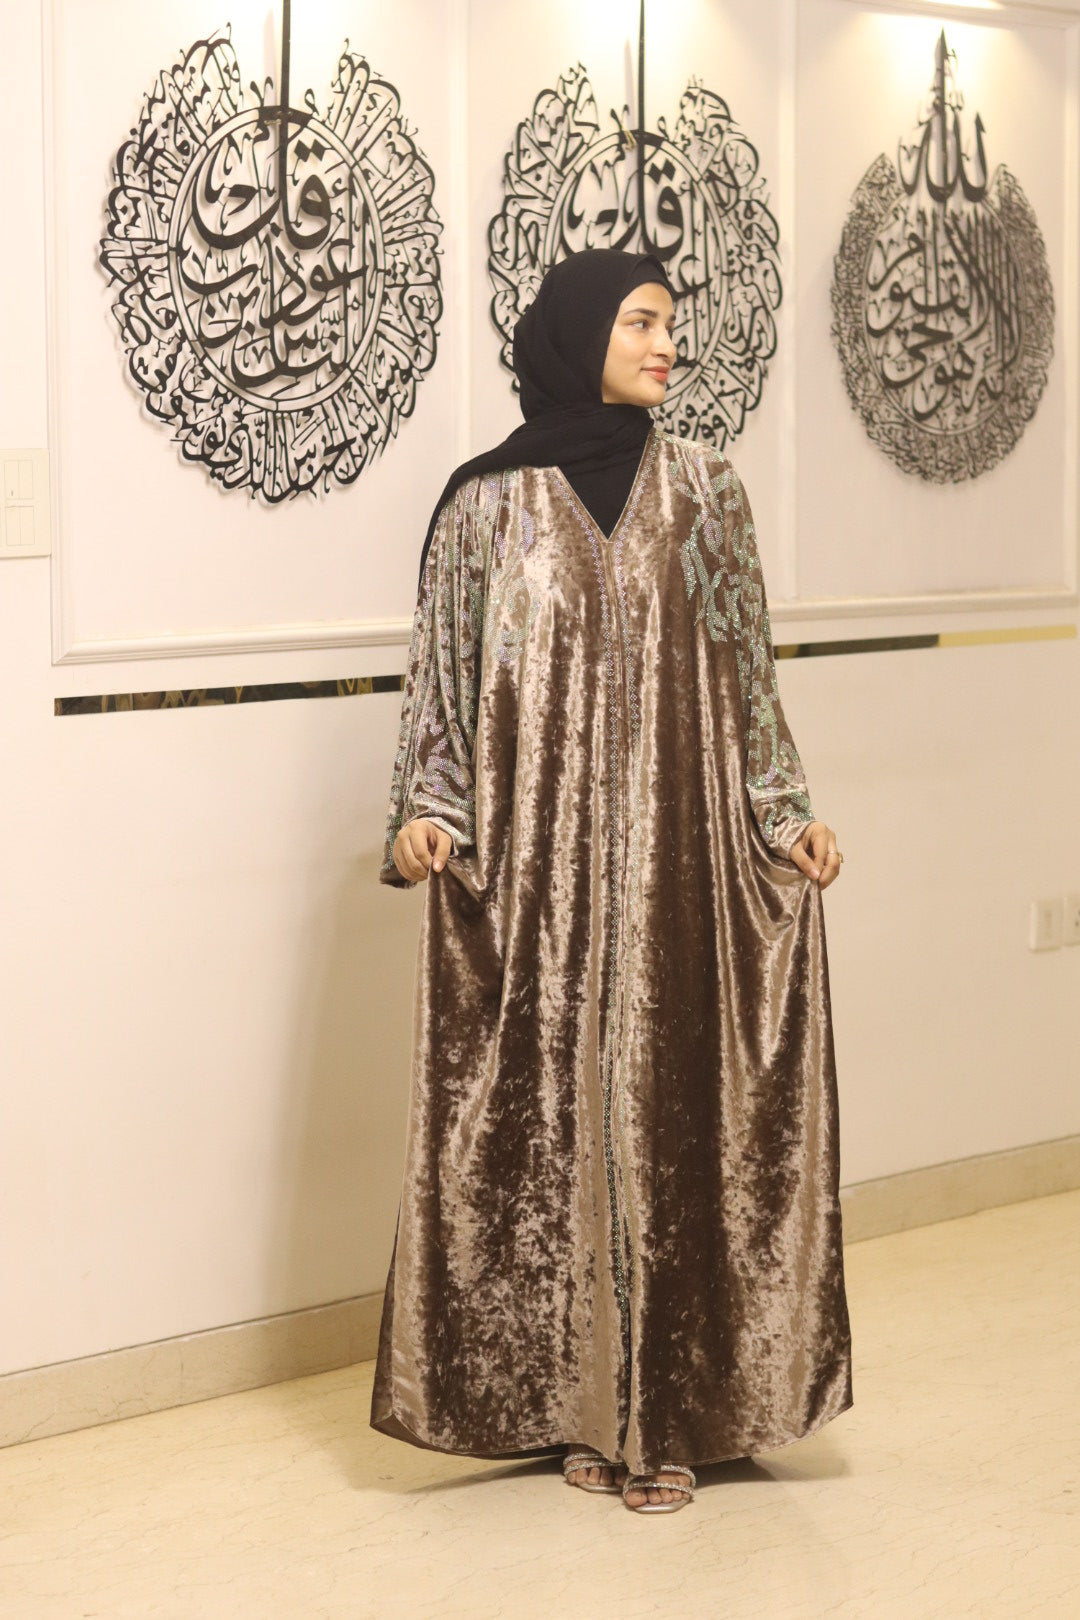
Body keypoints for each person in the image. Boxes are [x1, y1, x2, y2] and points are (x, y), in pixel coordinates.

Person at [371, 248, 852, 1514]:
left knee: (669, 1118)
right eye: (641, 321)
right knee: (557, 1131)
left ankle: (670, 1410)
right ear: (580, 331)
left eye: (670, 324)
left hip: (681, 868)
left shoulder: (707, 492)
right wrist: (428, 815)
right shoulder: (484, 504)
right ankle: (580, 1403)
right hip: (536, 882)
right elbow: (441, 687)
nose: (665, 345)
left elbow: (748, 679)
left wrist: (786, 816)